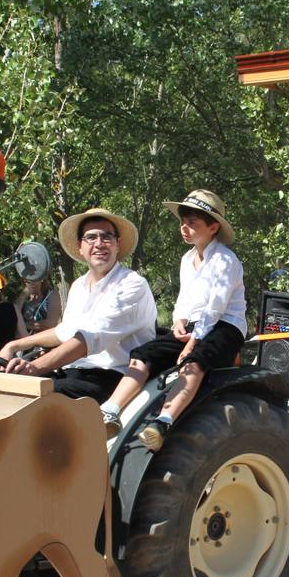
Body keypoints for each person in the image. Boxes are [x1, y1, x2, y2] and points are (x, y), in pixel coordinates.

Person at [100, 190, 246, 450]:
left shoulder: (225, 259)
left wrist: (192, 343)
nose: (185, 228)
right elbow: (185, 299)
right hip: (195, 326)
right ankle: (110, 409)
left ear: (213, 228)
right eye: (183, 222)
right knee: (145, 353)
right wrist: (179, 320)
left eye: (193, 223)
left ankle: (163, 422)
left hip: (225, 325)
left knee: (195, 361)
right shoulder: (187, 259)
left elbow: (215, 307)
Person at [0, 208, 156, 404]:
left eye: (106, 237)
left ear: (118, 244)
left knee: (35, 396)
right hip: (73, 375)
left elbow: (88, 340)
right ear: (80, 247)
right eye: (91, 237)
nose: (99, 243)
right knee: (6, 391)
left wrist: (35, 367)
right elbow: (66, 331)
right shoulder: (79, 286)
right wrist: (14, 345)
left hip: (112, 378)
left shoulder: (132, 284)